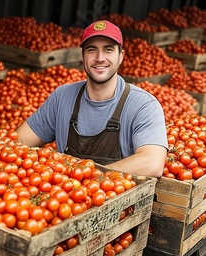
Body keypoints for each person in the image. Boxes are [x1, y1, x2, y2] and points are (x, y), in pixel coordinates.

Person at [15, 20, 168, 178]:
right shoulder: (63, 97)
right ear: (83, 56)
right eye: (92, 50)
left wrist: (90, 178)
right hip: (67, 198)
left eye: (108, 50)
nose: (100, 58)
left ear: (121, 56)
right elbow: (19, 140)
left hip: (119, 198)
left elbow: (152, 163)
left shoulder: (142, 105)